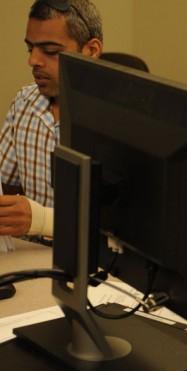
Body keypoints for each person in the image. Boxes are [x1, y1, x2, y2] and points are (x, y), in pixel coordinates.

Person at [0, 0, 103, 239]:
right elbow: (6, 185)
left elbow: (125, 235)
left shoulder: (120, 120)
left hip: (96, 267)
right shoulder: (25, 102)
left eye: (50, 51)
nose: (33, 61)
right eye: (30, 49)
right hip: (30, 258)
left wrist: (41, 220)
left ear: (91, 50)